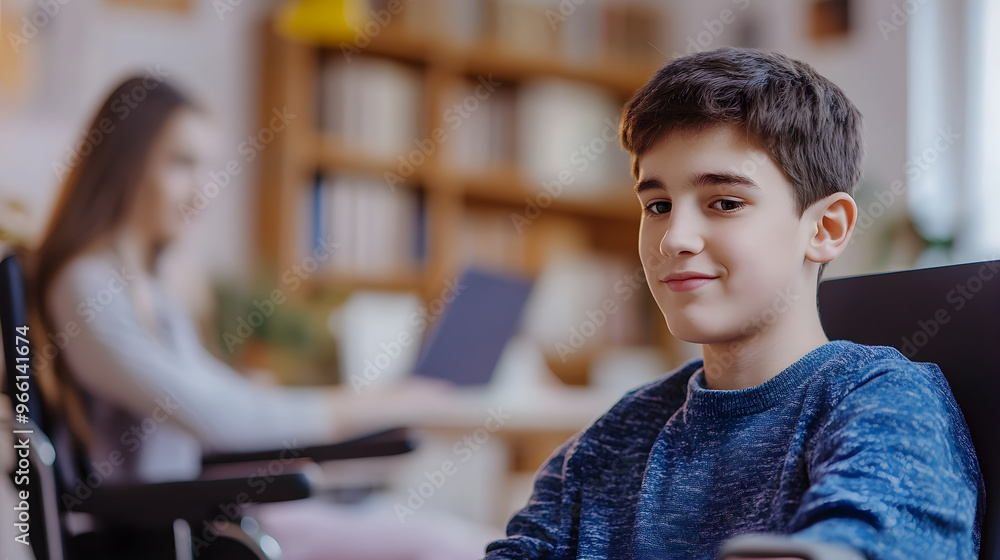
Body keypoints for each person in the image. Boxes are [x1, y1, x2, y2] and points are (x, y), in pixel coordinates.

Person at [484, 47, 985, 560]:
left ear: (825, 228)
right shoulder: (613, 437)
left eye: (724, 202)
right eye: (657, 206)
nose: (674, 238)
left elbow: (873, 535)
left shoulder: (881, 399)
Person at [32, 76, 496, 560]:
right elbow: (218, 418)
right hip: (180, 529)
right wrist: (381, 403)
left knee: (471, 539)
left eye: (208, 167)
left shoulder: (149, 290)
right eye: (182, 163)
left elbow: (219, 401)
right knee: (457, 548)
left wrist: (262, 401)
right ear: (123, 163)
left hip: (216, 512)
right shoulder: (85, 285)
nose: (204, 190)